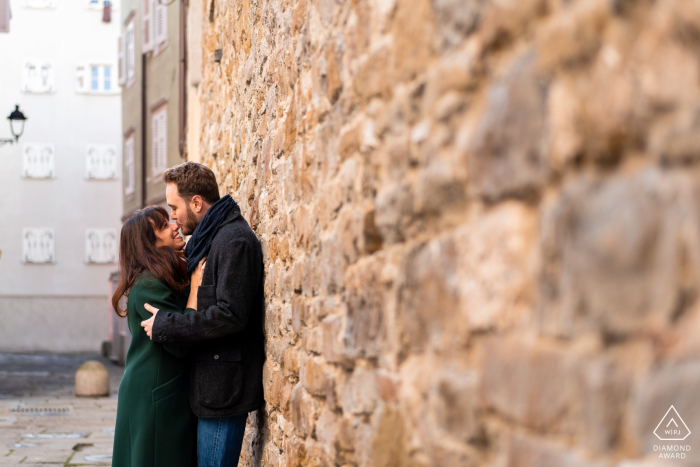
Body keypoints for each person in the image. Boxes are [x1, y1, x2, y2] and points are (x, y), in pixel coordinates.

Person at [140, 162, 264, 467]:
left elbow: (231, 315)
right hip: (208, 389)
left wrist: (167, 325)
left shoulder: (234, 239)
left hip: (222, 392)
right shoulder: (211, 237)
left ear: (196, 203)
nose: (173, 217)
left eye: (174, 207)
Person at [111, 206, 204, 467]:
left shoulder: (160, 275)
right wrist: (195, 287)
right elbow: (181, 341)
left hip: (159, 388)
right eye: (164, 226)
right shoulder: (149, 283)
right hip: (155, 394)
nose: (174, 224)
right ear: (149, 243)